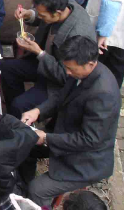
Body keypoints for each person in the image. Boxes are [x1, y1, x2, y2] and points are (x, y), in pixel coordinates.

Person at [20, 36, 120, 207]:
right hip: (66, 135)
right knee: (24, 145)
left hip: (85, 160)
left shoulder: (103, 94)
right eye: (66, 67)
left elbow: (90, 140)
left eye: (70, 69)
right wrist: (38, 111)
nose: (67, 73)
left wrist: (46, 138)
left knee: (37, 189)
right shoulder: (81, 71)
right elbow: (60, 97)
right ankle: (23, 189)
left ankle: (37, 201)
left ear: (90, 63)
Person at [0, 0, 96, 118]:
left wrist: (39, 52)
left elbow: (64, 75)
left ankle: (19, 121)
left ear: (58, 13)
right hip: (45, 61)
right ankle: (19, 113)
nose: (40, 16)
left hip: (60, 81)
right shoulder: (65, 4)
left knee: (19, 105)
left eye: (42, 15)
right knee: (5, 67)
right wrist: (29, 14)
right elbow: (42, 14)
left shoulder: (77, 34)